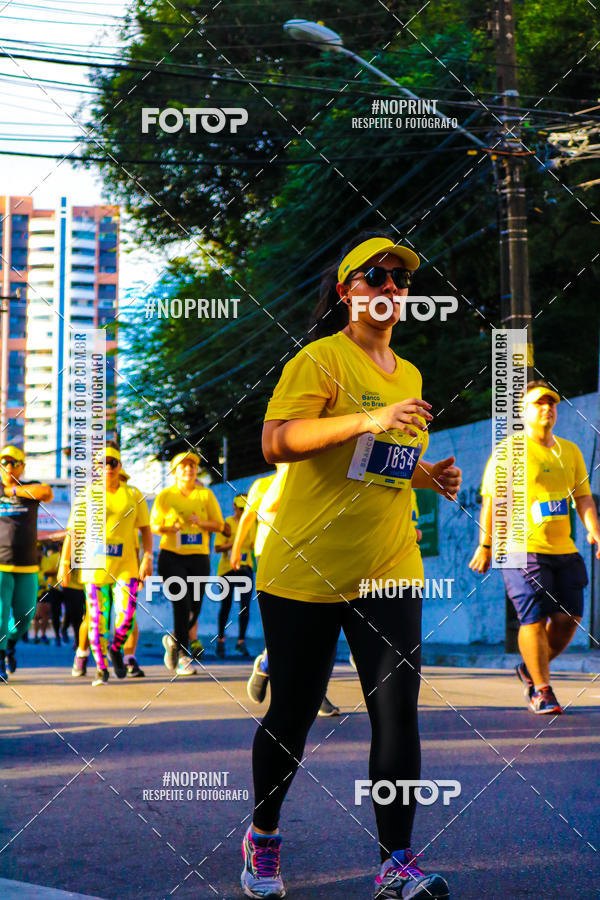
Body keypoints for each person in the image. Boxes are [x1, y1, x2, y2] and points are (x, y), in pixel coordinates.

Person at [241, 234, 461, 900]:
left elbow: (374, 461)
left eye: (401, 280)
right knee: (293, 715)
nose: (391, 288)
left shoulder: (409, 374)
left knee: (396, 713)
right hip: (304, 569)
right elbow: (277, 441)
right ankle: (263, 837)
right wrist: (370, 417)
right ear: (346, 292)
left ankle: (397, 863)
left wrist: (426, 475)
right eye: (375, 276)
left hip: (388, 567)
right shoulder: (319, 359)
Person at [469, 380, 600, 714]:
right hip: (519, 547)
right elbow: (493, 500)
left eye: (551, 403)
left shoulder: (570, 451)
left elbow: (583, 497)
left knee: (569, 618)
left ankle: (530, 667)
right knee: (533, 618)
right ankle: (542, 690)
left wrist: (595, 531)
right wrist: (485, 544)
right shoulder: (509, 451)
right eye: (539, 403)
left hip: (563, 549)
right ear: (523, 412)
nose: (546, 408)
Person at [240, 466, 341, 717]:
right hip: (271, 556)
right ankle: (268, 664)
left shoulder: (315, 478)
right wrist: (236, 550)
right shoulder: (264, 485)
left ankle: (316, 692)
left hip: (308, 554)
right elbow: (255, 515)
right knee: (285, 626)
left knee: (315, 627)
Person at [58, 445, 153, 686]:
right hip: (94, 564)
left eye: (113, 462)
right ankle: (101, 669)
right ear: (97, 468)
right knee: (97, 619)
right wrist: (64, 562)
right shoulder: (87, 494)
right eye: (103, 463)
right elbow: (74, 531)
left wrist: (148, 557)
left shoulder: (133, 494)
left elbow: (145, 528)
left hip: (126, 564)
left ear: (120, 466)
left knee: (127, 615)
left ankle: (116, 648)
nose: (108, 467)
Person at [150, 451, 227, 674]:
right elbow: (154, 525)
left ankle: (173, 639)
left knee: (195, 608)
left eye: (192, 466)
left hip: (199, 557)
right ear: (175, 472)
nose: (188, 470)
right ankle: (183, 655)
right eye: (183, 466)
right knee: (181, 603)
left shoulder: (205, 495)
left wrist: (200, 522)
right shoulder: (166, 496)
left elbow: (220, 525)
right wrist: (169, 528)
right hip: (171, 556)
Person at [0, 445, 53, 681]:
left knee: (25, 617)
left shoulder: (30, 487)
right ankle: (0, 656)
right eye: (4, 463)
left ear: (22, 466)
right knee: (1, 614)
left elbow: (46, 492)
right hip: (1, 564)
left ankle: (10, 643)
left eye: (14, 463)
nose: (9, 467)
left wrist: (13, 491)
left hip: (28, 565)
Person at [214, 494, 256, 658]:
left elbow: (254, 544)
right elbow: (217, 547)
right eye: (240, 508)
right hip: (227, 569)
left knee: (245, 606)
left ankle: (241, 642)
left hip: (245, 568)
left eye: (245, 509)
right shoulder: (227, 523)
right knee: (226, 605)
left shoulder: (252, 524)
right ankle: (220, 641)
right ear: (234, 507)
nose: (242, 511)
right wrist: (235, 543)